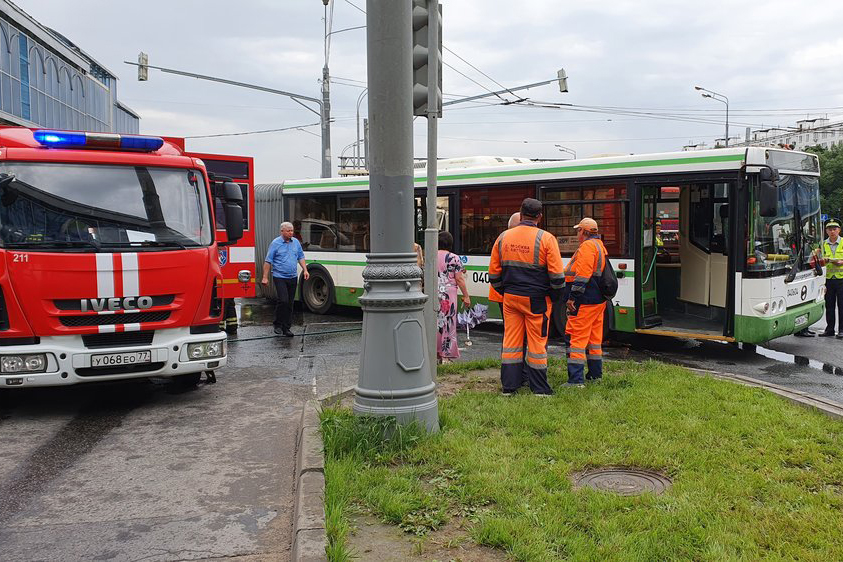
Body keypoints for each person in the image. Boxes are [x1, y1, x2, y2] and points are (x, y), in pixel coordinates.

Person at [489, 199, 564, 395]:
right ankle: (539, 389)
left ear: (521, 214)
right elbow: (557, 278)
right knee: (537, 344)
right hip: (537, 300)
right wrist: (553, 297)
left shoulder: (503, 238)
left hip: (510, 298)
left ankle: (509, 387)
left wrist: (505, 292)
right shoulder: (547, 239)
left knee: (511, 343)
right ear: (540, 217)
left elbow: (494, 275)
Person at [563, 217, 608, 387]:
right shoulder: (599, 245)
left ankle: (575, 381)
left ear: (583, 231)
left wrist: (572, 298)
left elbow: (582, 276)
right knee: (594, 340)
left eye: (578, 230)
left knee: (575, 338)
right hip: (597, 300)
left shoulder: (587, 247)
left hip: (585, 301)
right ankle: (595, 376)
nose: (577, 234)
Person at [261, 221, 309, 337]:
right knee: (283, 300)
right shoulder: (275, 243)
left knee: (290, 303)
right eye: (288, 231)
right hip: (279, 276)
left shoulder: (296, 242)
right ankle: (277, 324)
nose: (291, 233)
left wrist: (305, 270)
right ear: (282, 231)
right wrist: (265, 277)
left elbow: (301, 257)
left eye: (292, 231)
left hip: (292, 276)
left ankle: (286, 327)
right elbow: (268, 261)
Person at [437, 231, 470, 362]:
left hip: (435, 291)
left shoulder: (431, 256)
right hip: (449, 293)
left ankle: (436, 352)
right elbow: (459, 279)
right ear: (450, 243)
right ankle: (446, 355)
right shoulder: (454, 258)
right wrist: (466, 296)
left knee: (436, 322)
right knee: (449, 322)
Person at [488, 212, 521, 321]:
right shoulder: (525, 240)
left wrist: (503, 291)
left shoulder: (501, 239)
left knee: (510, 326)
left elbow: (493, 271)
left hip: (506, 294)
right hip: (515, 294)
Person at [820, 219, 843, 338]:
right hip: (828, 279)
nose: (832, 231)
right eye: (830, 229)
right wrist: (823, 261)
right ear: (826, 231)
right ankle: (829, 329)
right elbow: (817, 259)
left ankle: (842, 330)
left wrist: (841, 262)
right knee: (829, 306)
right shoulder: (822, 244)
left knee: (842, 306)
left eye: (835, 229)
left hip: (841, 279)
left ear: (839, 230)